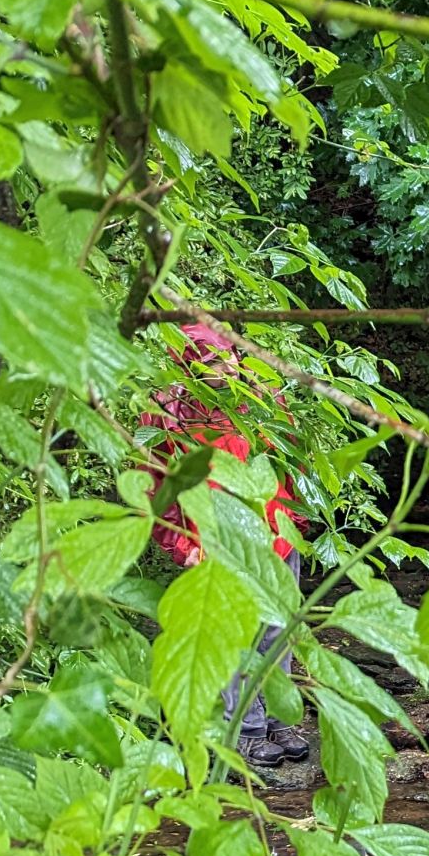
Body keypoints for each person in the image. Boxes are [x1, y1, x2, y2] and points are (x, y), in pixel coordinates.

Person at [142, 324, 309, 768]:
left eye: (232, 356)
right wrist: (182, 545)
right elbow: (154, 488)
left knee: (278, 630)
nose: (229, 367)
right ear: (192, 365)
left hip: (273, 533)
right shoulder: (169, 412)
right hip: (216, 542)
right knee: (234, 635)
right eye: (216, 361)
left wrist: (294, 520)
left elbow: (288, 460)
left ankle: (275, 717)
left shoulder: (262, 399)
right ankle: (243, 730)